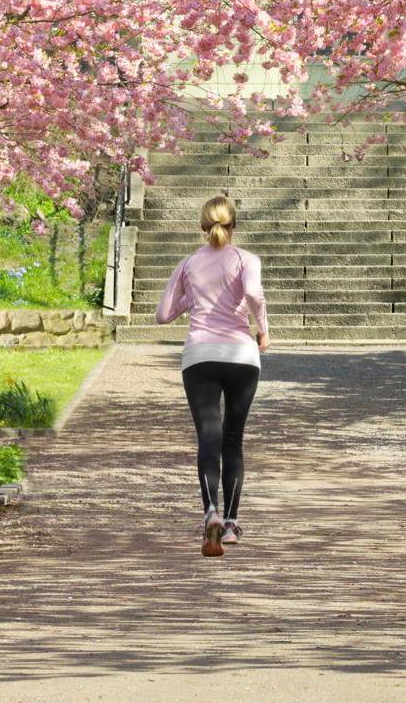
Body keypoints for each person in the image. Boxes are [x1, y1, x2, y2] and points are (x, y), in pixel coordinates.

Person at [156, 192, 269, 556]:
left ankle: (210, 515)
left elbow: (163, 314)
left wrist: (195, 298)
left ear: (203, 226)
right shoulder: (246, 259)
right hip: (240, 355)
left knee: (208, 435)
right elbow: (253, 293)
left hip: (200, 356)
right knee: (233, 439)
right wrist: (262, 328)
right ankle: (232, 525)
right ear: (234, 225)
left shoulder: (188, 263)